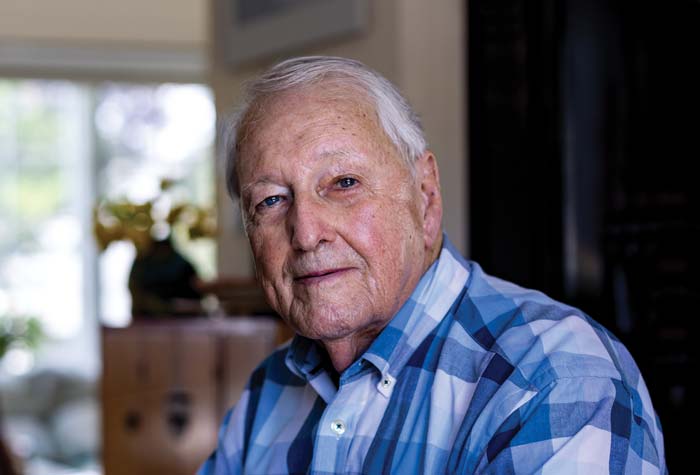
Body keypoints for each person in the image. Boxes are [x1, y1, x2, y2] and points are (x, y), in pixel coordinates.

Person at [199, 56, 666, 474]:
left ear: (425, 195)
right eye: (272, 200)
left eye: (344, 182)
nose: (305, 233)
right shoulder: (270, 389)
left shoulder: (555, 379)